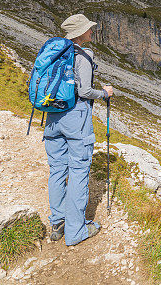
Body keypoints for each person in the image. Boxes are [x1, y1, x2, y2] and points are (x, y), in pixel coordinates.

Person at [44, 14, 113, 246]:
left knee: (56, 170)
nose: (92, 31)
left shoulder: (56, 53)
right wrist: (104, 93)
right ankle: (76, 231)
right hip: (76, 119)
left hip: (53, 118)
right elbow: (84, 91)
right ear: (79, 33)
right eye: (88, 29)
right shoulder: (83, 55)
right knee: (78, 171)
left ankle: (58, 222)